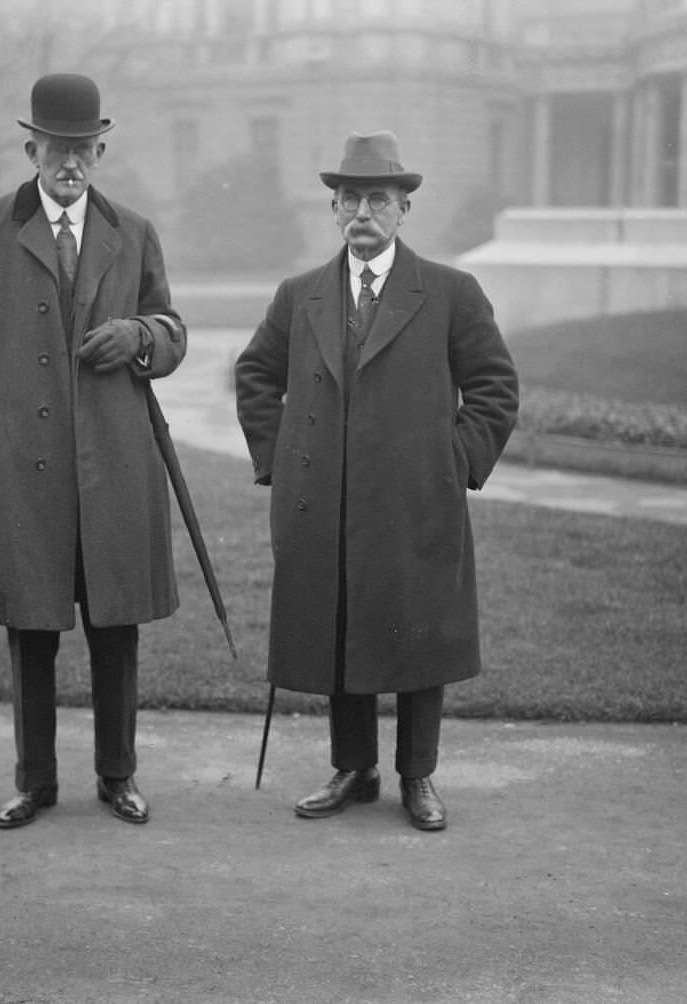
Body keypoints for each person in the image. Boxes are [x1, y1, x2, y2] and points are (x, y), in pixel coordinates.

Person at [0, 73, 186, 829]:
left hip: (114, 462)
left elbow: (172, 329)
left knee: (115, 624)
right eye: (57, 146)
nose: (71, 161)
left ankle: (118, 775)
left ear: (102, 148)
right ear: (31, 147)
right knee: (30, 626)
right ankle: (34, 782)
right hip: (20, 462)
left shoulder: (133, 231)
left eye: (84, 147)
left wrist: (140, 337)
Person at [234, 131, 518, 831]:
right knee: (339, 631)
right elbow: (254, 377)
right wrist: (281, 458)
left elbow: (494, 388)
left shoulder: (450, 293)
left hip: (417, 503)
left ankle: (417, 775)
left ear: (403, 209)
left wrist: (452, 464)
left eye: (379, 199)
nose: (363, 211)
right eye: (350, 198)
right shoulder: (300, 296)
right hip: (323, 504)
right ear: (333, 208)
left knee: (420, 635)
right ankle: (353, 769)